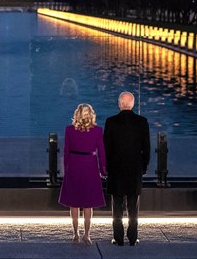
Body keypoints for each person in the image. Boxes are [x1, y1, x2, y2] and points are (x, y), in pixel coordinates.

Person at [103, 91, 150, 246]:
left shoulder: (111, 122)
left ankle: (118, 238)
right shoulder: (142, 122)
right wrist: (143, 167)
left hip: (116, 170)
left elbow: (106, 148)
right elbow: (147, 148)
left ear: (120, 104)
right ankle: (132, 237)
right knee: (133, 206)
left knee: (116, 206)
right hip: (134, 170)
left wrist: (105, 167)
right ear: (132, 104)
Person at [58, 103, 107, 246]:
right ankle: (87, 234)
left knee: (74, 203)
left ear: (77, 114)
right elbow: (101, 152)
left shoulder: (69, 130)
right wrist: (103, 169)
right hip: (90, 166)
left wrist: (66, 169)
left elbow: (66, 151)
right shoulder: (98, 130)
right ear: (91, 114)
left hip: (74, 165)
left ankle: (75, 234)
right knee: (88, 204)